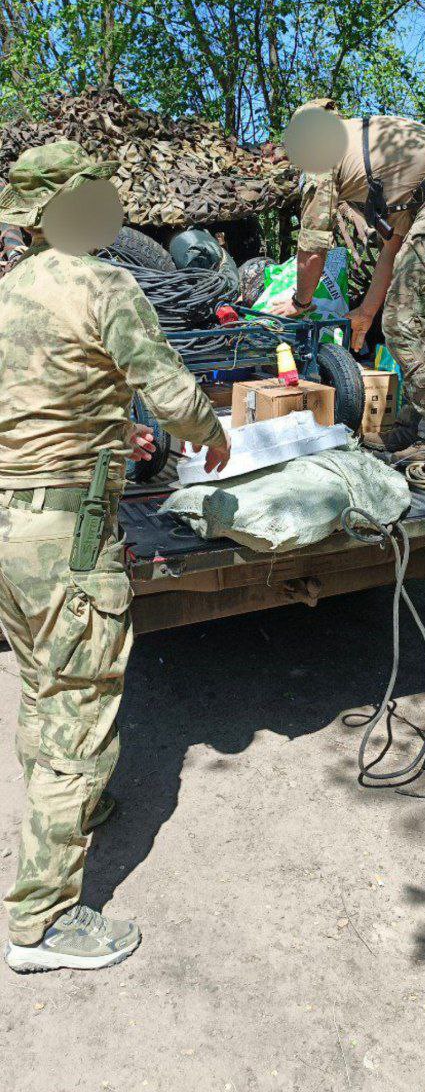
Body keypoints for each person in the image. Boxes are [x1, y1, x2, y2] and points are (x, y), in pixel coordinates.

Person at [0, 141, 230, 973]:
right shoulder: (103, 282)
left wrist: (106, 429)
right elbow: (170, 392)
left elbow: (44, 399)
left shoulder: (10, 291)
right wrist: (215, 433)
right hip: (69, 532)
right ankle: (42, 923)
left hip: (11, 528)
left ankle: (74, 812)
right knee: (82, 711)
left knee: (44, 684)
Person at [274, 100, 425, 450]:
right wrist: (366, 313)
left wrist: (300, 301)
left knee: (404, 320)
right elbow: (392, 250)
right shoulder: (377, 150)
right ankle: (417, 422)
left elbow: (312, 245)